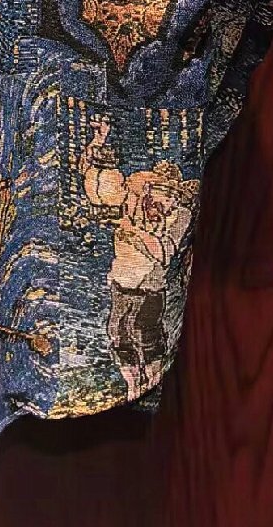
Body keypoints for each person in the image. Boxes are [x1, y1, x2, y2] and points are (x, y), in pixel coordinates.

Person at [78, 113, 199, 397]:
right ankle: (133, 386)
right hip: (122, 283)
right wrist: (99, 142)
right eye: (164, 195)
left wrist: (132, 232)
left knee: (146, 336)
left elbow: (163, 252)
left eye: (173, 198)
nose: (167, 203)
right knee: (119, 335)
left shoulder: (179, 216)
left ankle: (153, 383)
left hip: (150, 288)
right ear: (150, 189)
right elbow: (98, 184)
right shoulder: (131, 201)